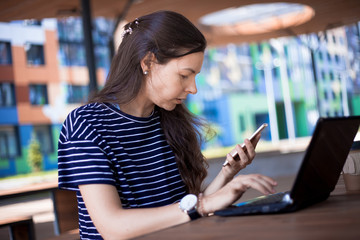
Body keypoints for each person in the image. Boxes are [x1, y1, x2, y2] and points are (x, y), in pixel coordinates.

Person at [58, 10, 277, 240]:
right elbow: (113, 228)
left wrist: (227, 174)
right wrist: (203, 205)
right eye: (185, 75)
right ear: (148, 62)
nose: (193, 89)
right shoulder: (86, 124)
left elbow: (181, 211)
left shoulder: (169, 121)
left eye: (195, 77)